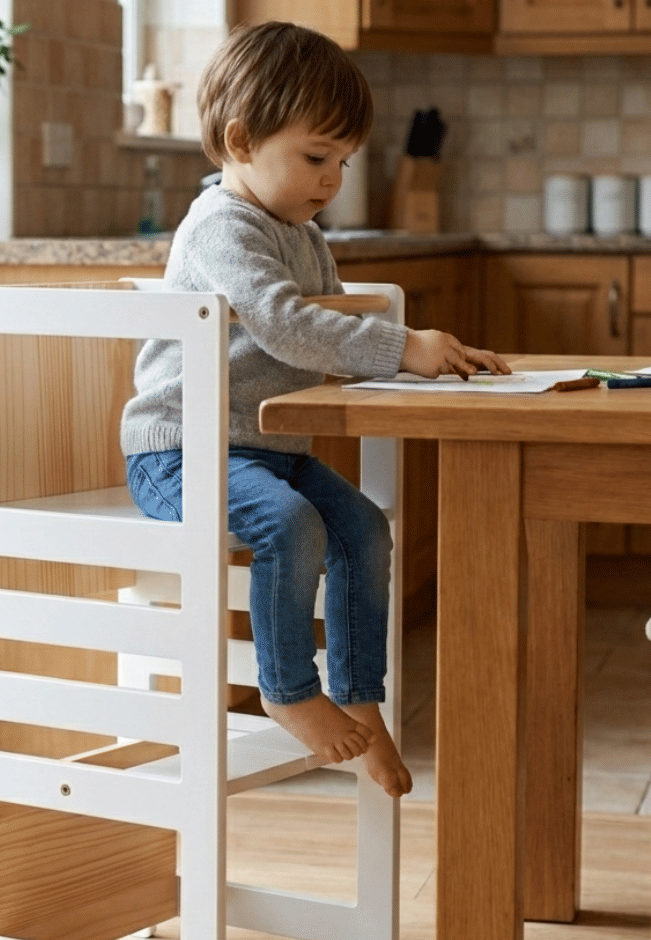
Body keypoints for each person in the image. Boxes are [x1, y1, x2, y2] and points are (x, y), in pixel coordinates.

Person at [120, 21, 509, 798]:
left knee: (364, 528)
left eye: (342, 161)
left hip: (269, 448)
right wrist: (402, 347)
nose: (332, 179)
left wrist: (427, 366)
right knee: (292, 526)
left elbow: (326, 332)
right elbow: (286, 323)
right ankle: (289, 691)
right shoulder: (222, 227)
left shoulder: (300, 230)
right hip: (182, 453)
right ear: (240, 140)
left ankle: (359, 692)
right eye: (315, 157)